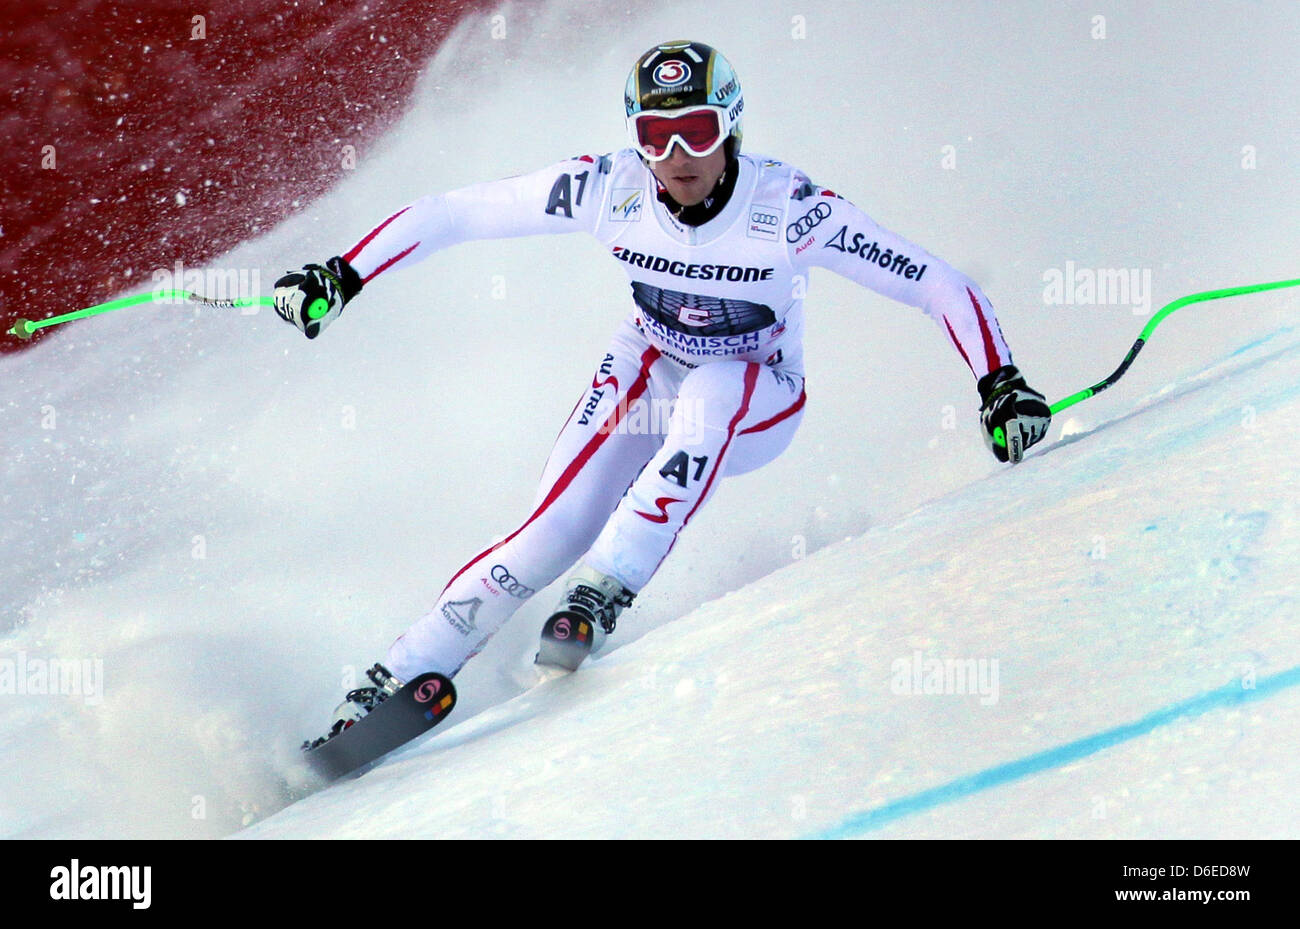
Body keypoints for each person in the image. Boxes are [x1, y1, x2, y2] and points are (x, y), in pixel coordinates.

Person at [274, 40, 1051, 736]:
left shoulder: (789, 210)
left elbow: (935, 283)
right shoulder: (607, 189)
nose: (678, 156)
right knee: (550, 533)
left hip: (758, 388)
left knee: (712, 391)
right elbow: (455, 214)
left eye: (699, 131)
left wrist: (1000, 382)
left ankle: (604, 589)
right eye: (654, 135)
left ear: (732, 129)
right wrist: (344, 273)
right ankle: (390, 681)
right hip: (649, 363)